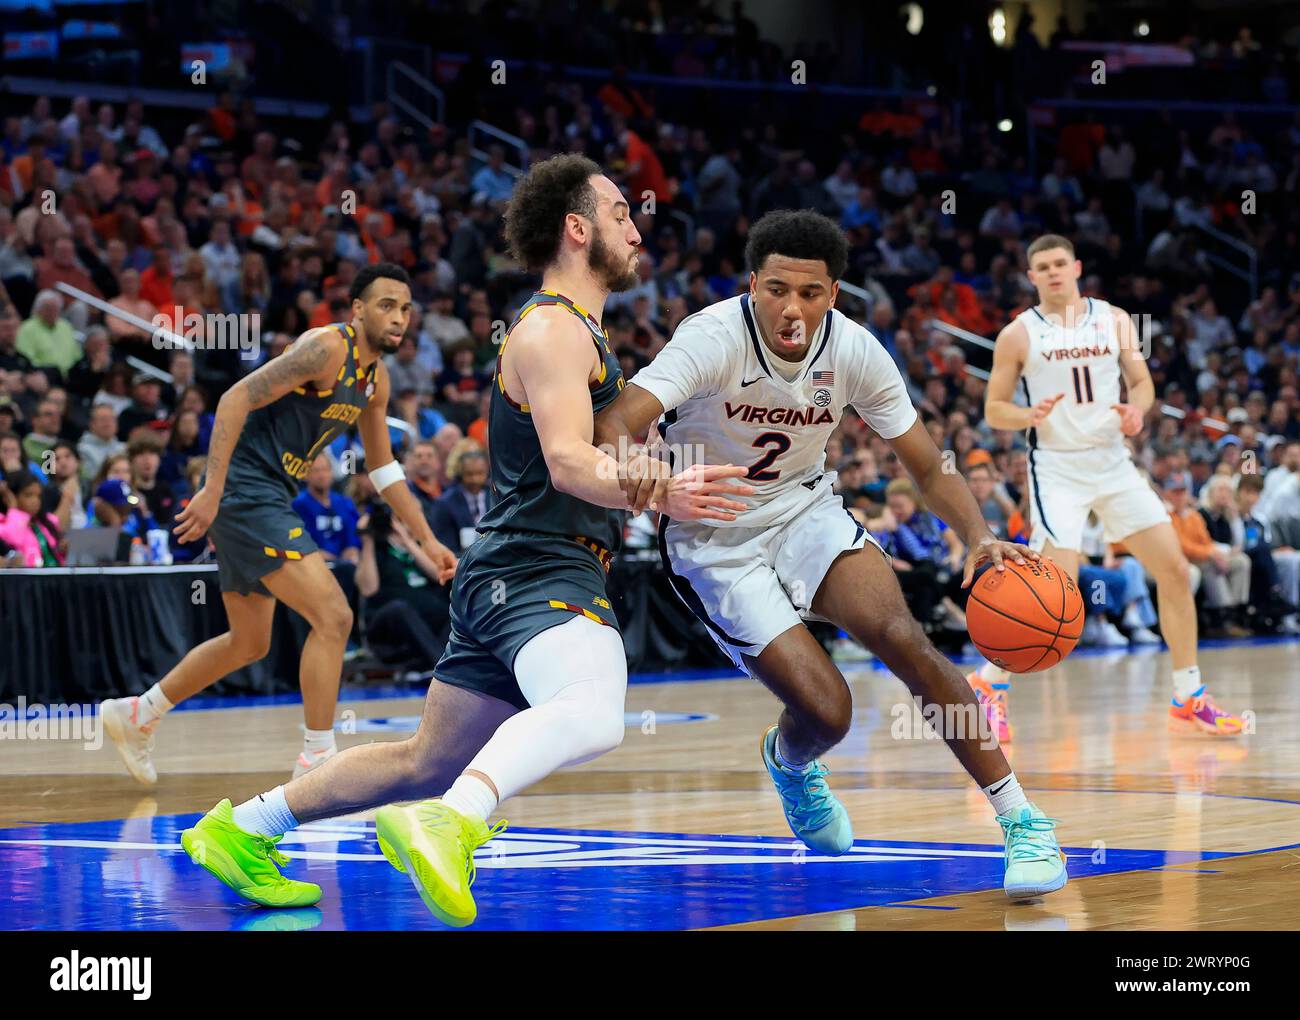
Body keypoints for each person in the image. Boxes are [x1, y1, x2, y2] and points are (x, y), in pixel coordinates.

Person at [177, 155, 744, 925]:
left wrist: (641, 470)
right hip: (538, 566)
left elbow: (583, 455)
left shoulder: (575, 334)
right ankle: (456, 818)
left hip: (505, 574)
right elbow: (569, 463)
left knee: (426, 759)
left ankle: (242, 827)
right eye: (619, 214)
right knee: (595, 707)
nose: (636, 230)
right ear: (577, 229)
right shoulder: (551, 330)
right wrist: (660, 484)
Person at [594, 208, 1067, 900]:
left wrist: (978, 534)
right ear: (752, 284)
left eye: (810, 293)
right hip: (713, 535)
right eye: (777, 289)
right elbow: (613, 422)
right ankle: (790, 761)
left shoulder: (854, 351)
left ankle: (1022, 820)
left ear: (833, 295)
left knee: (907, 639)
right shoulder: (710, 338)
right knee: (829, 712)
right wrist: (640, 471)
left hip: (805, 509)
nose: (792, 308)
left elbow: (928, 466)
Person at [99, 262, 460, 787]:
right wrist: (213, 490)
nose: (398, 317)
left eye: (405, 308)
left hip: (267, 496)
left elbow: (383, 470)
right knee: (334, 616)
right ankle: (316, 761)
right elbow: (234, 398)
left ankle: (138, 714)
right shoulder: (325, 348)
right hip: (246, 491)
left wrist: (428, 542)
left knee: (249, 642)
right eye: (386, 305)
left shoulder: (375, 381)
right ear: (357, 310)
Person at [979, 234, 1242, 738]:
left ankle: (1188, 694)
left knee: (1175, 570)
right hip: (1056, 468)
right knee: (1053, 594)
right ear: (1031, 277)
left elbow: (1142, 384)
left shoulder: (1115, 319)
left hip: (1113, 463)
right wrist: (1025, 415)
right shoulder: (1017, 334)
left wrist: (1136, 411)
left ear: (1076, 267)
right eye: (1043, 266)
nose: (1054, 272)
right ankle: (991, 684)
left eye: (1061, 263)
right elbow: (994, 408)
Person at [291, 453, 361, 563]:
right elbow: (297, 542)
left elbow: (353, 537)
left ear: (332, 472)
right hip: (313, 564)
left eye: (325, 469)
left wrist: (352, 550)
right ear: (305, 475)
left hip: (345, 565)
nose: (322, 475)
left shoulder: (344, 503)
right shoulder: (298, 505)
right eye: (316, 471)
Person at [429, 446, 490, 552]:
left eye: (480, 473)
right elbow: (444, 543)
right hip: (461, 560)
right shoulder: (444, 503)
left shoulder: (498, 498)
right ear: (461, 473)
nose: (475, 479)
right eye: (469, 474)